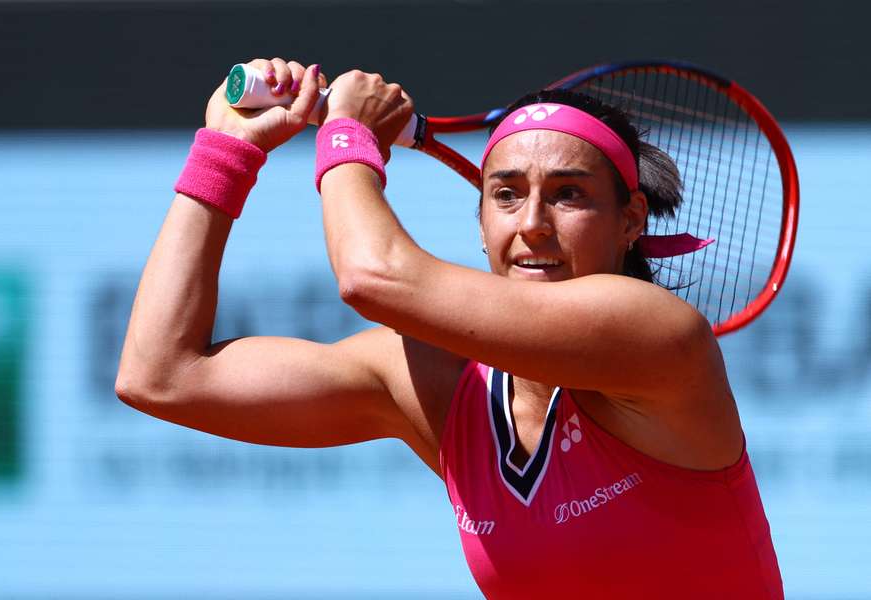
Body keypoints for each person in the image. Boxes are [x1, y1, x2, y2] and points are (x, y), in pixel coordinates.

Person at [116, 57, 784, 599]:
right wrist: (225, 152)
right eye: (506, 193)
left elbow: (371, 278)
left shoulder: (658, 336)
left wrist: (347, 133)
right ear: (482, 218)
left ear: (633, 220)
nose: (531, 224)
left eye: (569, 194)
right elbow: (161, 375)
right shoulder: (438, 385)